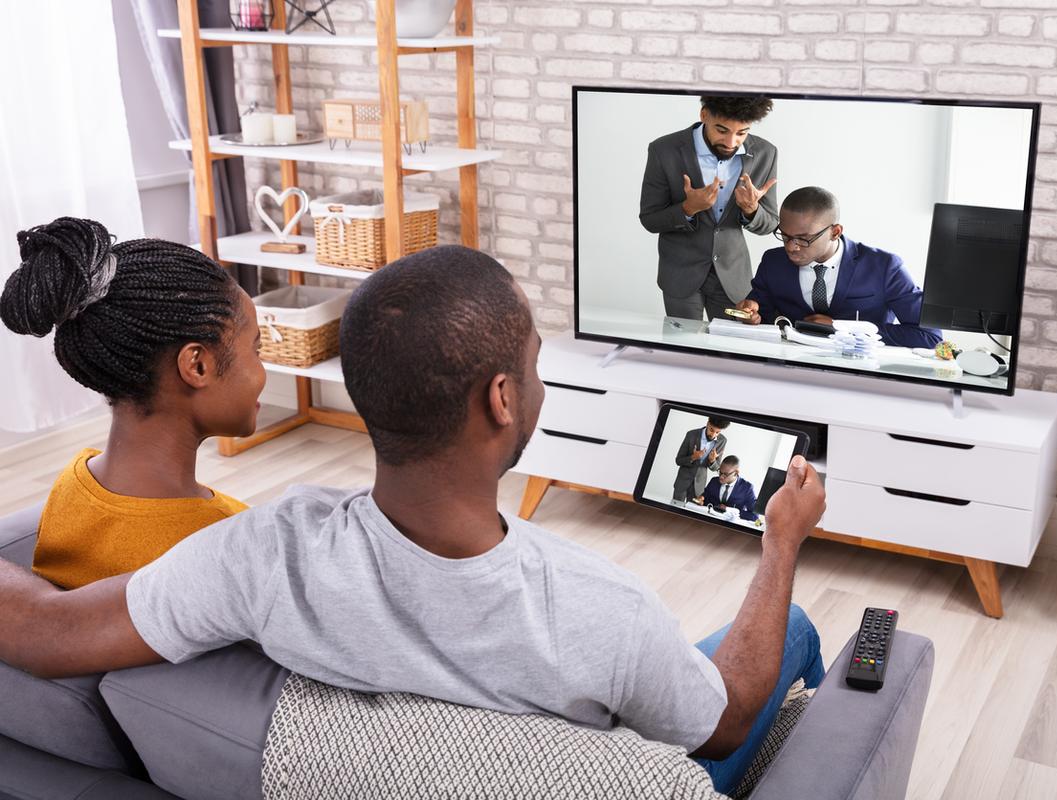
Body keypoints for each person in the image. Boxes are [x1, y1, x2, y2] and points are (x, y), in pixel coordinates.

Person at [0, 245, 826, 796]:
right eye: (532, 366)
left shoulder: (253, 555)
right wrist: (780, 539)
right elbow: (721, 726)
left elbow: (40, 628)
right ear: (502, 401)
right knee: (788, 629)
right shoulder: (607, 610)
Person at [0, 217, 263, 589]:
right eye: (256, 349)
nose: (261, 370)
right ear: (197, 365)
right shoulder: (228, 539)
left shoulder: (72, 485)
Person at [735, 187, 942, 348]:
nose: (791, 247)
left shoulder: (884, 267)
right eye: (785, 236)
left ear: (835, 232)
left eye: (804, 239)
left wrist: (846, 330)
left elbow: (930, 336)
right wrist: (750, 314)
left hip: (861, 378)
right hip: (789, 373)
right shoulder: (773, 262)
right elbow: (760, 314)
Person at [640, 95, 779, 322]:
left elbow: (770, 223)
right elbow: (650, 219)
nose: (731, 142)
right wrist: (688, 208)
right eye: (722, 130)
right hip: (680, 275)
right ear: (704, 115)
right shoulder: (663, 150)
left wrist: (751, 210)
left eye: (742, 133)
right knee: (684, 349)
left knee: (730, 349)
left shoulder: (765, 153)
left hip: (733, 277)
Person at [672, 416, 728, 504]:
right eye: (711, 430)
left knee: (691, 513)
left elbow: (716, 468)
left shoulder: (722, 441)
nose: (713, 435)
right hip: (682, 482)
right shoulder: (691, 434)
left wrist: (712, 461)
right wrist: (693, 457)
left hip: (699, 486)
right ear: (708, 423)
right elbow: (678, 460)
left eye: (717, 432)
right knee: (675, 509)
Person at [697, 456, 758, 521]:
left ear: (736, 473)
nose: (721, 477)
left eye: (725, 474)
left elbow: (754, 516)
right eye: (720, 472)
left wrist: (729, 510)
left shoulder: (747, 488)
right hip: (709, 520)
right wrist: (700, 500)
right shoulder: (714, 481)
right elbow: (704, 499)